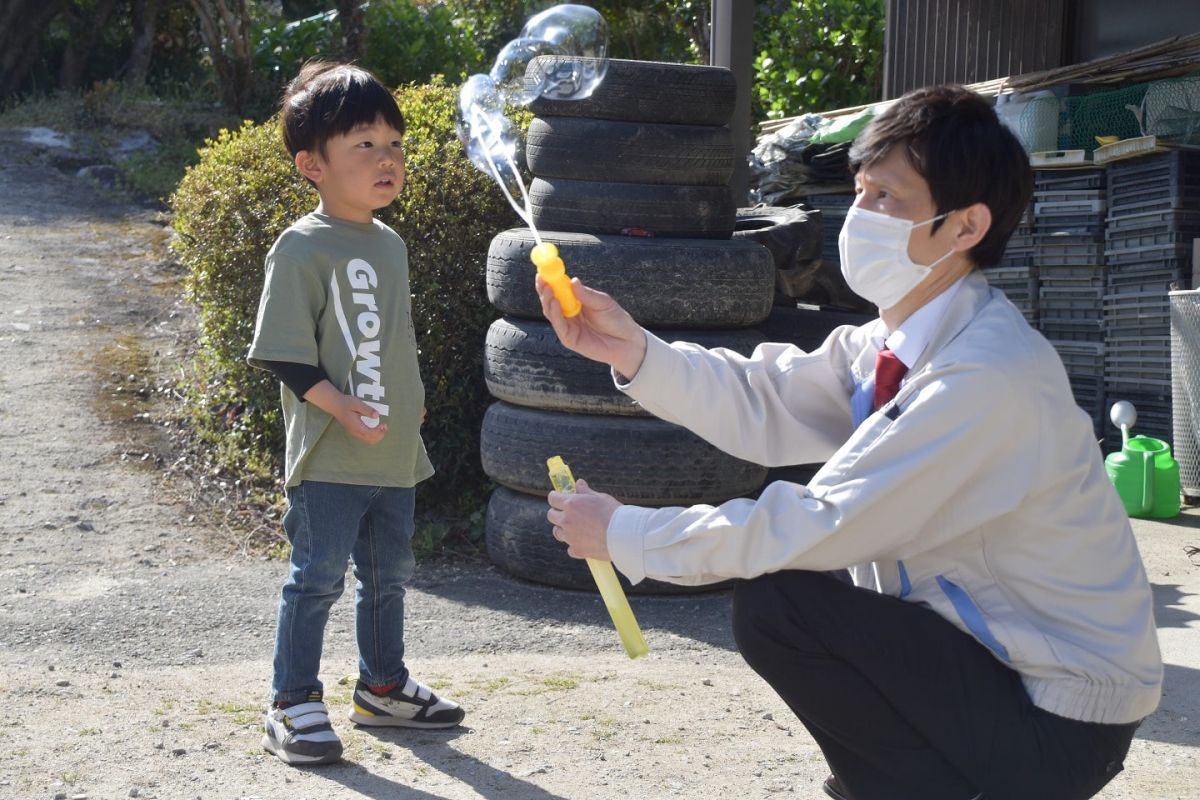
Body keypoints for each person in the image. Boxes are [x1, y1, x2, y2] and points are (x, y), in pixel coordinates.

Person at [541, 85, 1162, 800]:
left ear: (964, 227)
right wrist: (636, 352)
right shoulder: (898, 342)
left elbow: (820, 523)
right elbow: (766, 395)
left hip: (1059, 719)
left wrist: (627, 535)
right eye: (860, 190)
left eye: (887, 199)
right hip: (1004, 671)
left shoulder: (986, 376)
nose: (859, 215)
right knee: (793, 597)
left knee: (786, 600)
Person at [247, 61, 463, 767]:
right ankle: (292, 701)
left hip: (391, 453)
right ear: (312, 165)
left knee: (390, 574)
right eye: (365, 144)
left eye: (395, 144)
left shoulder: (389, 245)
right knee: (316, 577)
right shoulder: (301, 247)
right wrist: (338, 405)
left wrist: (415, 396)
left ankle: (382, 688)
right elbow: (282, 352)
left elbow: (394, 336)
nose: (388, 159)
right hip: (330, 456)